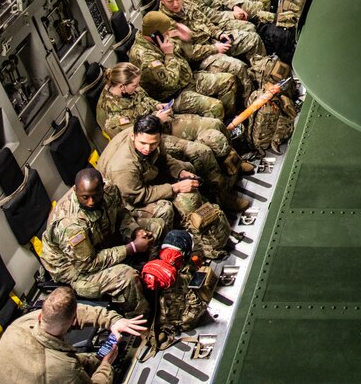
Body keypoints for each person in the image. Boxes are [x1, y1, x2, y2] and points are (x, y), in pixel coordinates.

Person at [98, 115, 233, 260]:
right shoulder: (123, 166)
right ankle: (171, 250)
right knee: (166, 207)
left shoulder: (152, 138)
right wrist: (175, 188)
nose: (147, 148)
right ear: (133, 136)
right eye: (143, 143)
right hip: (125, 203)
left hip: (143, 180)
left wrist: (181, 172)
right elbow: (136, 196)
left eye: (153, 144)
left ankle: (213, 218)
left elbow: (163, 159)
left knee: (188, 167)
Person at [40, 168, 165, 318]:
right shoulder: (70, 225)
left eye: (96, 195)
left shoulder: (110, 190)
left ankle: (153, 275)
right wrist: (132, 247)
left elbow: (121, 214)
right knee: (126, 276)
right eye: (85, 197)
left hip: (102, 240)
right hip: (76, 270)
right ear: (75, 190)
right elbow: (88, 264)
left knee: (156, 227)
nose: (91, 202)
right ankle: (141, 317)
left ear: (102, 188)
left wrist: (135, 231)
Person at [96, 62, 253, 178]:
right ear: (122, 86)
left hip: (163, 122)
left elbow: (145, 99)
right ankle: (222, 192)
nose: (137, 88)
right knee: (201, 151)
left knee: (216, 124)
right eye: (134, 85)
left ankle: (235, 163)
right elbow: (132, 139)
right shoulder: (110, 114)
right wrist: (156, 120)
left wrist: (158, 106)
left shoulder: (131, 90)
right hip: (154, 140)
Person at [0, 286, 146, 384]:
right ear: (73, 323)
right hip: (45, 375)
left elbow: (72, 312)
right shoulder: (62, 368)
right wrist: (106, 364)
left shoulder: (20, 324)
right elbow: (65, 371)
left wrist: (112, 321)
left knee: (88, 361)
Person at [128, 11, 239, 118]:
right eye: (165, 33)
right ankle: (221, 130)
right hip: (173, 95)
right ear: (154, 35)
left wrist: (185, 40)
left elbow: (187, 54)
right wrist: (169, 55)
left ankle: (230, 121)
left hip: (187, 79)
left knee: (228, 81)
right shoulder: (144, 56)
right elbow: (169, 83)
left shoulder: (159, 38)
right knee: (215, 107)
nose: (168, 34)